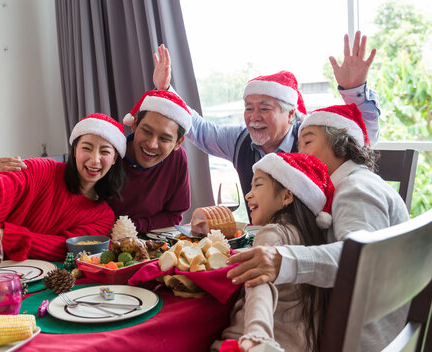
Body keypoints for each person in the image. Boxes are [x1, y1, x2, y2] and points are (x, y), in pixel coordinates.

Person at [228, 104, 410, 350]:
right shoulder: (355, 186)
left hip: (358, 337)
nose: (300, 152)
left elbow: (358, 258)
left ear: (340, 145)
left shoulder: (355, 188)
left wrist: (283, 260)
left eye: (307, 142)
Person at [152, 32, 380, 219]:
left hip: (310, 245)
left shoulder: (311, 138)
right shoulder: (239, 141)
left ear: (290, 114)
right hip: (260, 243)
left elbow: (362, 137)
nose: (253, 117)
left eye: (264, 108)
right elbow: (199, 129)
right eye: (249, 108)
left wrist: (354, 91)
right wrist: (166, 91)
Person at [0, 113, 127, 261]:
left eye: (105, 151)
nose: (94, 159)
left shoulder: (103, 216)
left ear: (115, 158)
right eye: (86, 148)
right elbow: (1, 187)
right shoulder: (42, 170)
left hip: (48, 282)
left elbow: (66, 249)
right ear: (74, 150)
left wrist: (8, 236)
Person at [0, 90, 192, 233]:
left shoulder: (177, 160)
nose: (151, 144)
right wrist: (16, 174)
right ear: (135, 125)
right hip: (91, 242)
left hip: (142, 241)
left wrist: (128, 227)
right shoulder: (108, 154)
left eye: (165, 139)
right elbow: (65, 183)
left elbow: (174, 215)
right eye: (146, 132)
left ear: (178, 143)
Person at [216, 152, 335, 352]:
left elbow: (259, 284)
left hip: (252, 344)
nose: (248, 194)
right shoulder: (311, 238)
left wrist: (257, 334)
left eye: (258, 185)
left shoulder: (272, 232)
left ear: (287, 196)